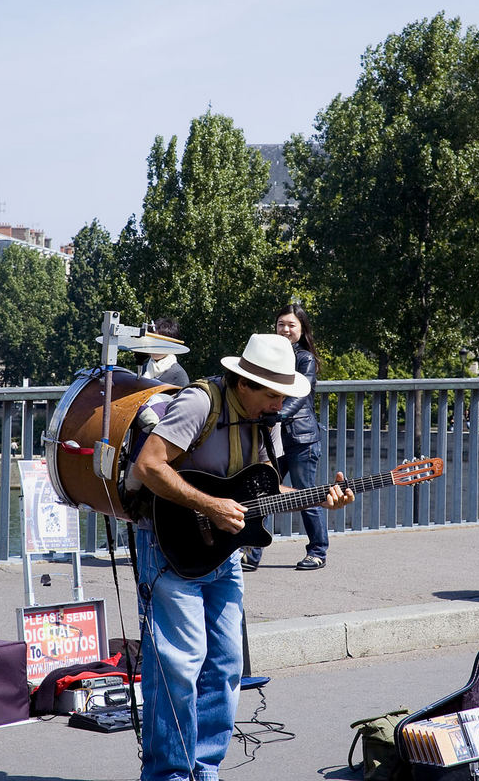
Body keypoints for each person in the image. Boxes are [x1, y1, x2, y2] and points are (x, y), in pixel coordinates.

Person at [131, 333, 354, 781]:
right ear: (244, 384)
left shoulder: (264, 419)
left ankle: (205, 769)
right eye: (273, 394)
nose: (279, 404)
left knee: (226, 665)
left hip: (223, 552)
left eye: (284, 395)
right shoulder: (199, 404)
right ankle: (168, 775)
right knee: (179, 664)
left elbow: (262, 495)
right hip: (168, 545)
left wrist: (319, 499)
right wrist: (208, 505)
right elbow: (149, 466)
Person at [242, 303, 328, 572]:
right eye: (281, 324)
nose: (286, 329)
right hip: (273, 438)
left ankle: (318, 551)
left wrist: (275, 415)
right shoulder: (270, 358)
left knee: (305, 495)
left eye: (291, 325)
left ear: (302, 330)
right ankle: (252, 554)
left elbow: (299, 395)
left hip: (301, 439)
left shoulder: (305, 359)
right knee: (264, 492)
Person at [141, 317, 190, 386]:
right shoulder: (143, 368)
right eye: (152, 341)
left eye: (160, 343)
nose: (155, 347)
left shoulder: (178, 374)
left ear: (171, 345)